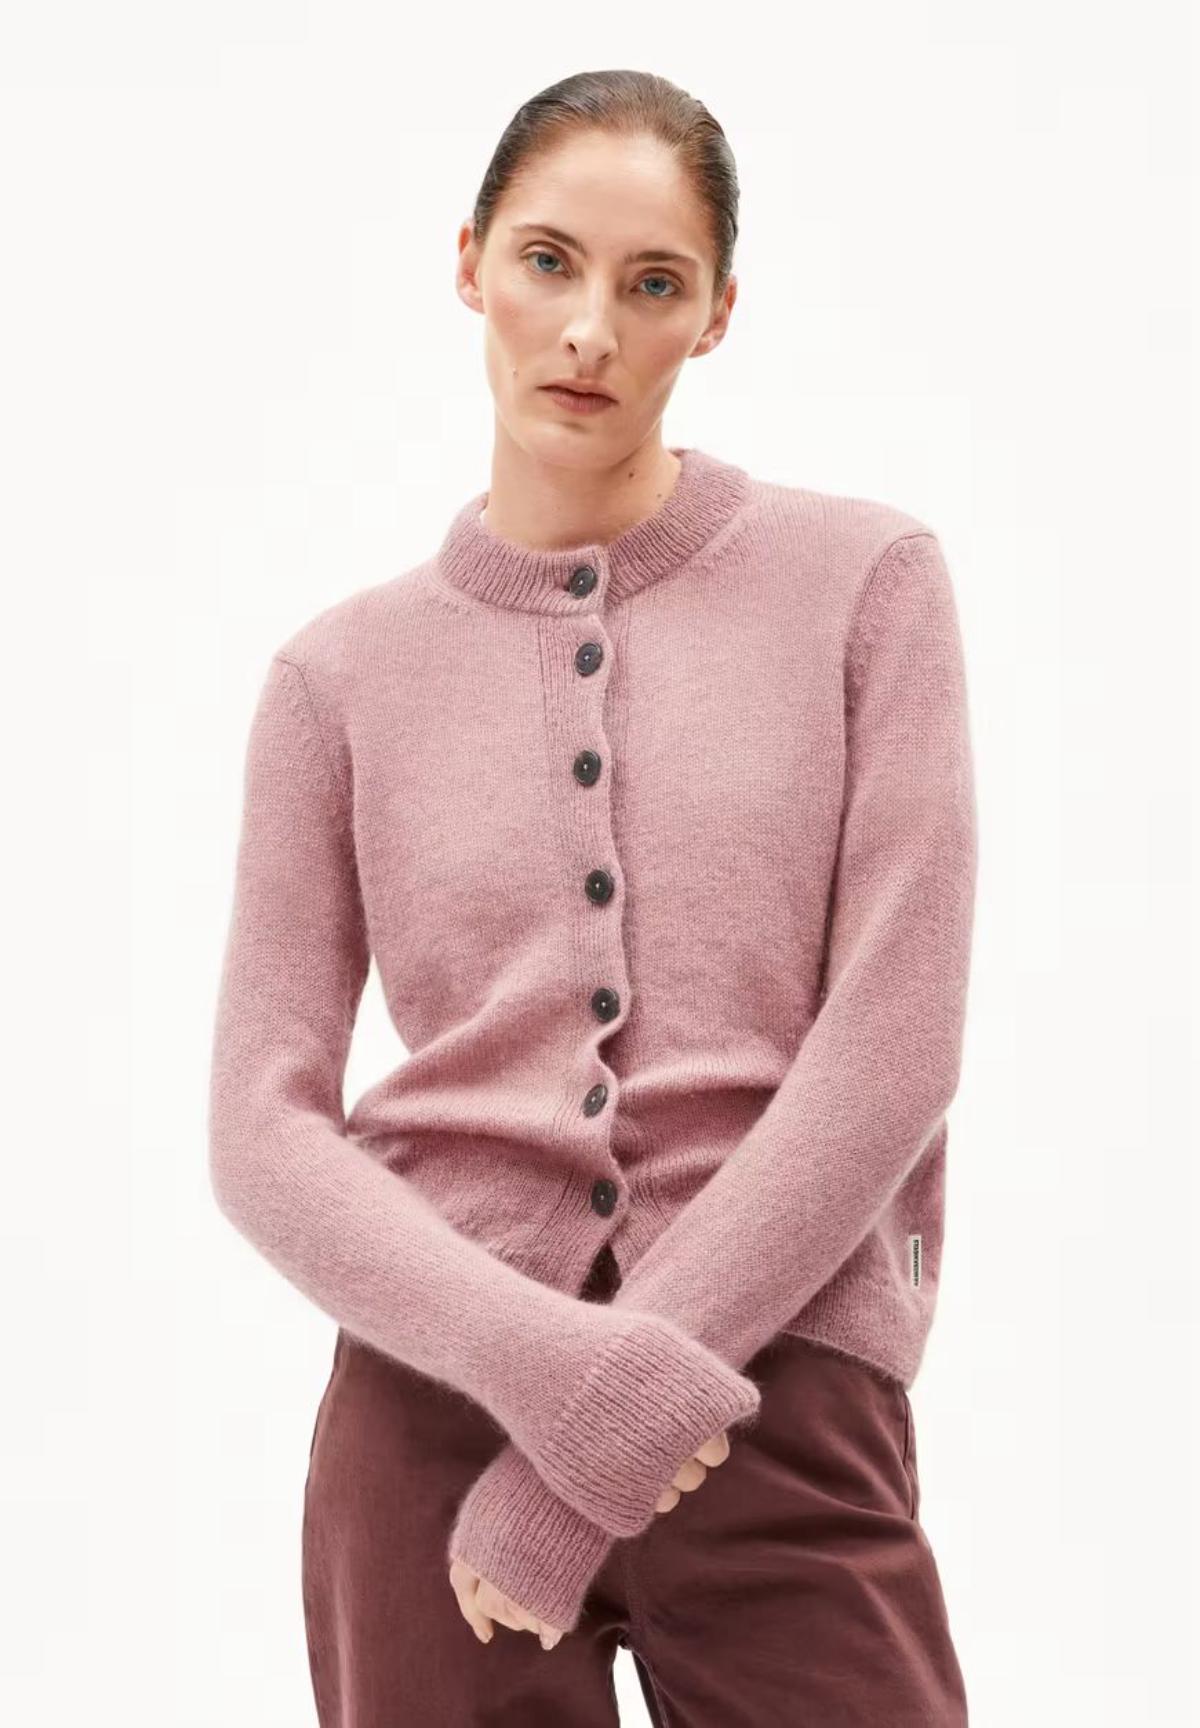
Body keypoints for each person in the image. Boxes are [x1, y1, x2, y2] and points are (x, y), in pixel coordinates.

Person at [209, 67, 977, 1725]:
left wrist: (602, 1438)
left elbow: (895, 1045)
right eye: (549, 262)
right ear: (470, 260)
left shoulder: (867, 585)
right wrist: (545, 1378)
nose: (589, 331)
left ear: (718, 315)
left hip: (776, 1389)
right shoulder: (335, 682)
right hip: (434, 1413)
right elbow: (259, 1129)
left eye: (653, 284)